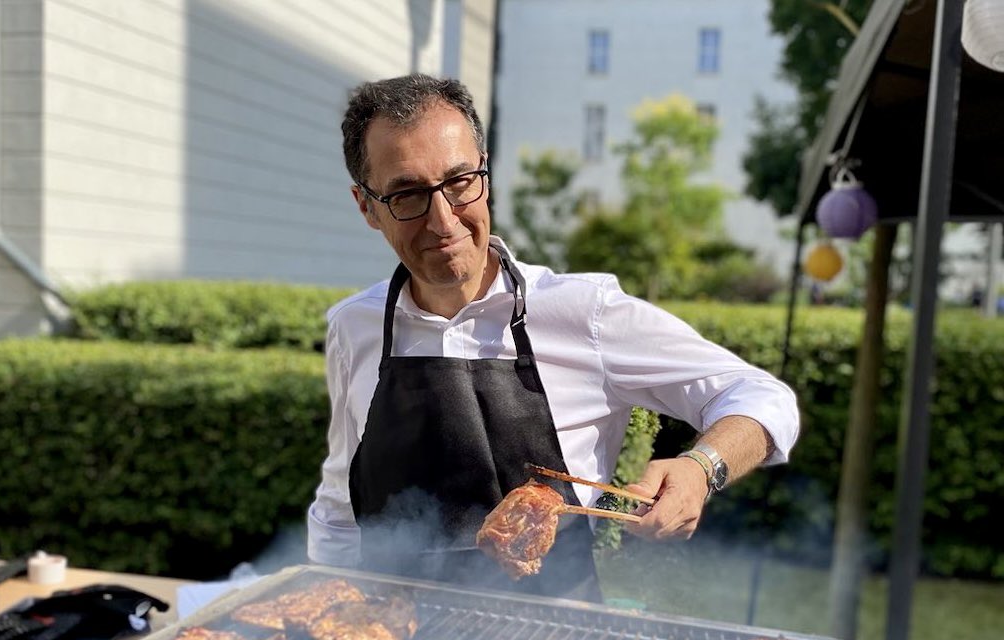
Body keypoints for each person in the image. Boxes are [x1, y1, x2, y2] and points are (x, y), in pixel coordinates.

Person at [306, 74, 799, 602]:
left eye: (459, 181)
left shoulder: (582, 313)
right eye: (407, 194)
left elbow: (763, 398)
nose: (443, 220)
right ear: (367, 207)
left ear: (485, 175)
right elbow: (340, 503)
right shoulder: (353, 328)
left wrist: (701, 469)